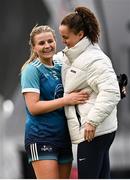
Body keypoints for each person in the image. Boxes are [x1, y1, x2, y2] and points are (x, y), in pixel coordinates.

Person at [58, 6, 121, 179]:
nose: (62, 41)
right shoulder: (73, 54)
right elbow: (60, 60)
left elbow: (112, 91)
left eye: (65, 37)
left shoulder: (95, 59)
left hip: (94, 131)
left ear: (80, 35)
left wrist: (92, 122)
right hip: (97, 131)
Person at [20, 25, 88, 179]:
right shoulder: (31, 70)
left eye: (50, 41)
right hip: (41, 137)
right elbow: (34, 107)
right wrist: (66, 100)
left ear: (55, 42)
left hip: (63, 138)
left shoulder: (60, 67)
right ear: (34, 47)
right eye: (41, 43)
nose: (47, 46)